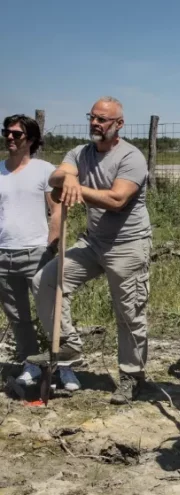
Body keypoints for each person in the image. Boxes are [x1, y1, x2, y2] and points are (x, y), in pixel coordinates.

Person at [29, 96, 152, 404]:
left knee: (128, 313)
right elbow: (55, 177)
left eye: (103, 120)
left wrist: (76, 188)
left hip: (127, 244)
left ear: (119, 124)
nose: (95, 124)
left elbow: (116, 200)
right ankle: (68, 345)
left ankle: (131, 377)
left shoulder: (131, 157)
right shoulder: (80, 152)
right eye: (93, 117)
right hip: (92, 242)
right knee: (45, 281)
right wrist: (69, 176)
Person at [1, 116, 62, 385]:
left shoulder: (44, 170)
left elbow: (57, 210)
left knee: (51, 311)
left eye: (17, 134)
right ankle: (30, 363)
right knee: (18, 317)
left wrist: (51, 245)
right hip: (4, 253)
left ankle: (61, 363)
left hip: (36, 252)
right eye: (7, 133)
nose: (10, 138)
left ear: (32, 140)